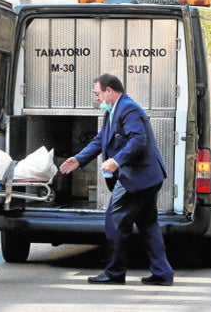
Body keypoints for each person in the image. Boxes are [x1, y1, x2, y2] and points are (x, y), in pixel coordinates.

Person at [59, 73, 174, 286]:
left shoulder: (128, 108)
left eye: (98, 94)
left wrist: (116, 161)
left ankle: (114, 273)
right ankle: (162, 273)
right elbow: (101, 139)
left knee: (114, 221)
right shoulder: (112, 111)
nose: (97, 98)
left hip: (137, 178)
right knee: (148, 225)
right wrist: (79, 159)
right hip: (146, 177)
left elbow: (138, 139)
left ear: (109, 91)